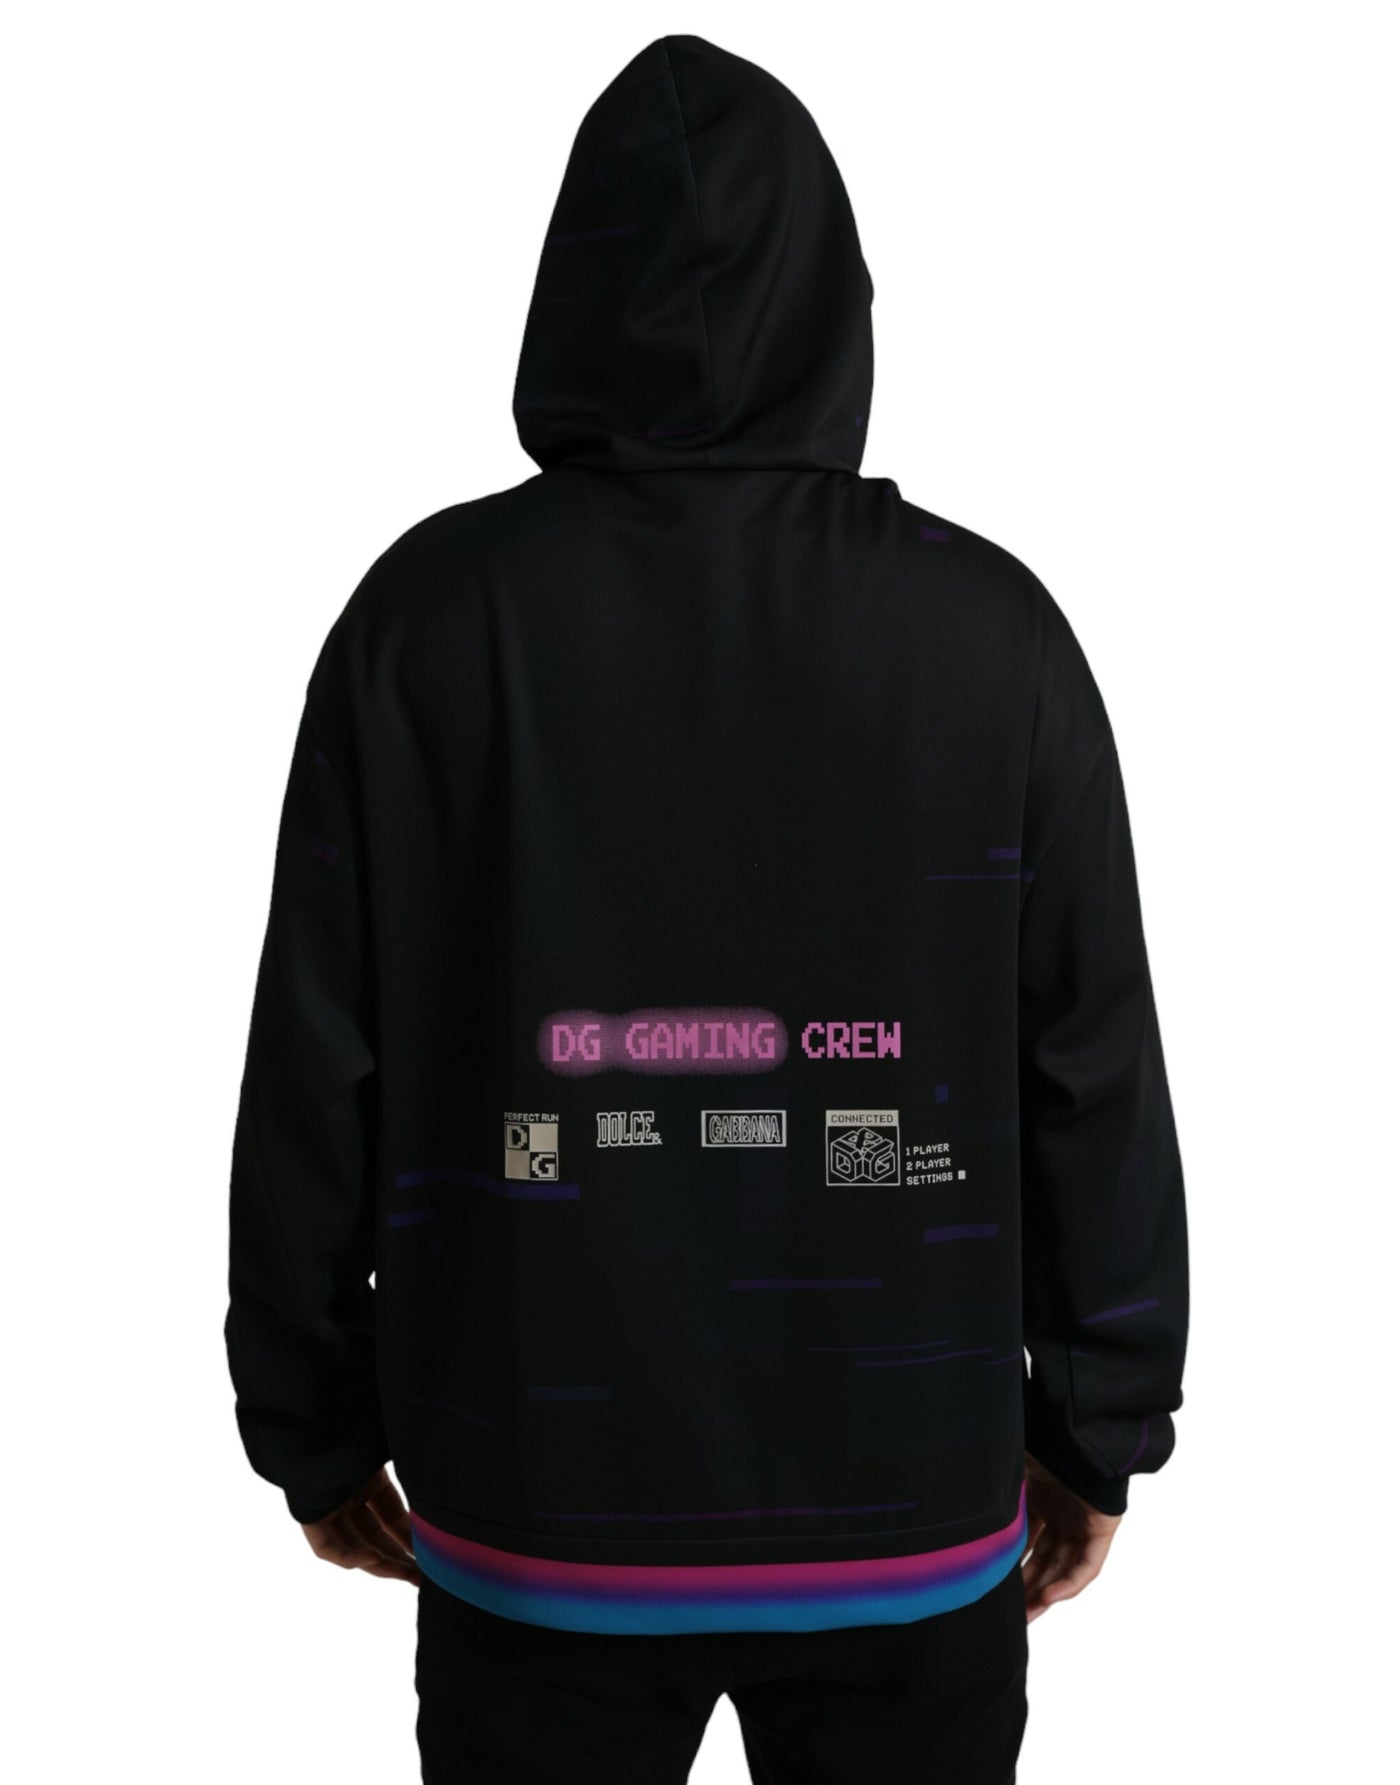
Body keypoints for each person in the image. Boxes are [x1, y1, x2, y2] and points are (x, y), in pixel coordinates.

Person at [225, 33, 1188, 1784]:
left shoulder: (423, 627)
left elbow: (317, 1062)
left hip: (536, 1506)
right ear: (838, 302)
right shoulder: (997, 638)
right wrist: (1099, 1423)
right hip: (905, 1506)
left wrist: (313, 1419)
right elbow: (1090, 1065)